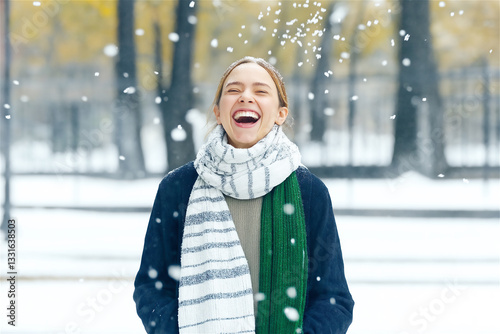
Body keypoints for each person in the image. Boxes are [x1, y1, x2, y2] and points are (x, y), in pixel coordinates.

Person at [133, 56, 354, 334]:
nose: (246, 97)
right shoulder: (178, 188)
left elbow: (333, 300)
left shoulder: (309, 191)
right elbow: (151, 288)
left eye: (261, 91)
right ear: (217, 111)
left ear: (280, 114)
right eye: (234, 90)